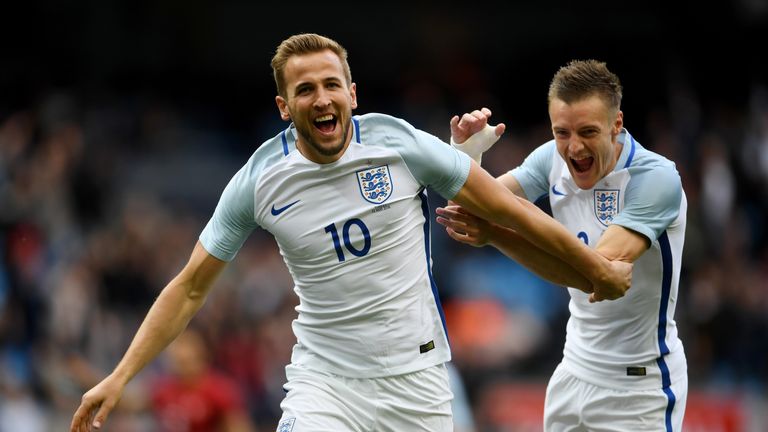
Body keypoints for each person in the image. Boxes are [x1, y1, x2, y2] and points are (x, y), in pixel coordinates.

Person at [69, 35, 632, 432]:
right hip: (326, 383)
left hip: (417, 382)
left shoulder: (400, 144)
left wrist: (593, 269)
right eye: (305, 89)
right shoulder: (258, 180)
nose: (322, 98)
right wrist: (120, 376)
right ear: (284, 106)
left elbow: (511, 212)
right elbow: (191, 287)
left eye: (331, 84)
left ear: (353, 94)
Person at [436, 59, 687, 431]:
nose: (574, 148)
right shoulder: (550, 157)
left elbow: (594, 277)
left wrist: (499, 229)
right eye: (562, 133)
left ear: (617, 125)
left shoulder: (656, 179)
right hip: (573, 370)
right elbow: (465, 210)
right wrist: (464, 156)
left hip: (640, 387)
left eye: (588, 131)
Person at [149, 328, 254, 432]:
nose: (180, 351)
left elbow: (238, 426)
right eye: (177, 344)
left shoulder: (219, 389)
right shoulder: (162, 389)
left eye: (186, 344)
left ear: (201, 351)